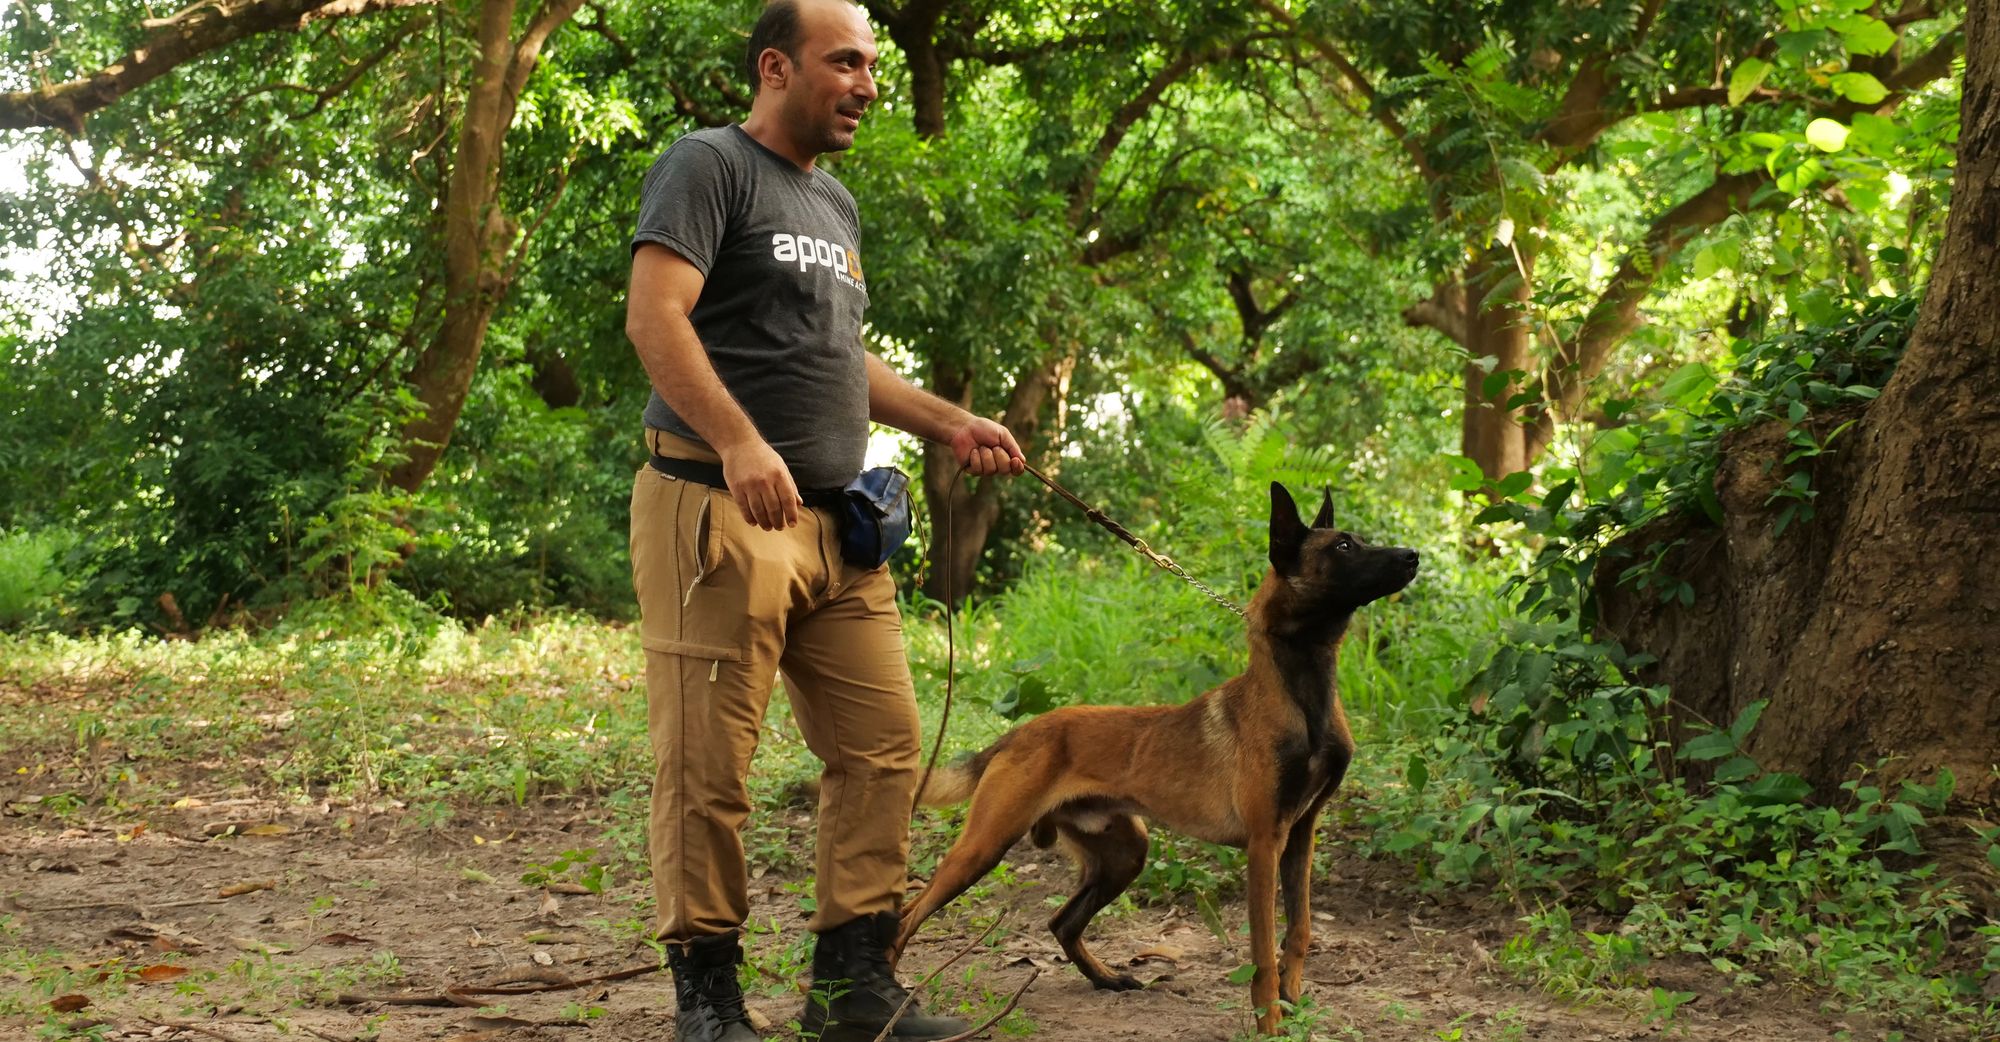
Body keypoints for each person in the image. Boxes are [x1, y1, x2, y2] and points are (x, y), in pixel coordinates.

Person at [624, 2, 1025, 1040]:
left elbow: (842, 357)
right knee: (708, 766)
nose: (866, 82)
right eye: (843, 61)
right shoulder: (707, 166)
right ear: (774, 67)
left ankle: (849, 986)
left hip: (835, 529)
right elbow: (655, 315)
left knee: (885, 746)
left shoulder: (833, 203)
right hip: (716, 510)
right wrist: (739, 440)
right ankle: (706, 1003)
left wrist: (948, 422)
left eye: (873, 65)